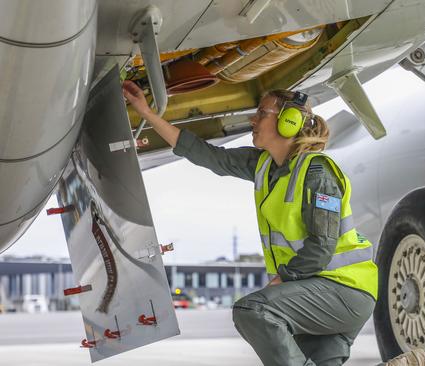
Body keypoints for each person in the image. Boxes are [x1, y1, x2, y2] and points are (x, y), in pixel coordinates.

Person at [122, 80, 378, 366]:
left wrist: (281, 281)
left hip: (344, 290)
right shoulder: (263, 166)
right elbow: (208, 156)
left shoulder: (318, 174)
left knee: (254, 310)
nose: (252, 119)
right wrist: (147, 113)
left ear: (289, 122)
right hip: (316, 292)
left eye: (262, 112)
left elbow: (322, 246)